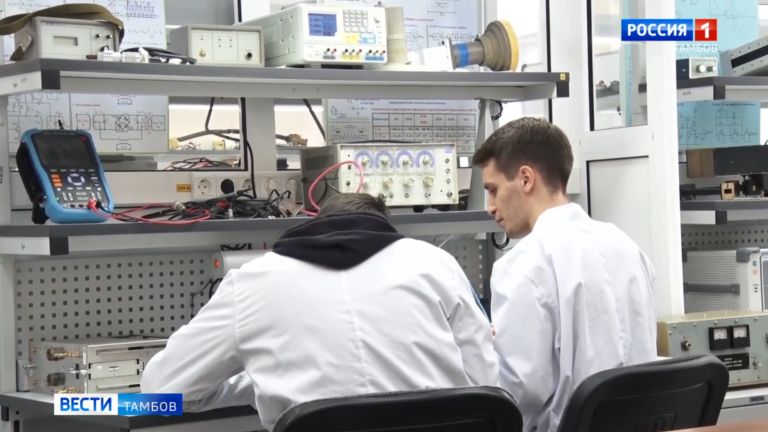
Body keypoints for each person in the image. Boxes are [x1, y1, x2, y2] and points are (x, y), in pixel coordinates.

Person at [141, 193, 498, 430]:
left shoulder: (252, 281)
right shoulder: (436, 264)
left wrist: (262, 382)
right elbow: (487, 382)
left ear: (316, 222)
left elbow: (158, 393)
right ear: (385, 224)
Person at [472, 117, 657, 431]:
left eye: (493, 190)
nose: (489, 206)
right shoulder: (626, 246)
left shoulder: (524, 264)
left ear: (526, 179)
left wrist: (481, 352)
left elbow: (516, 394)